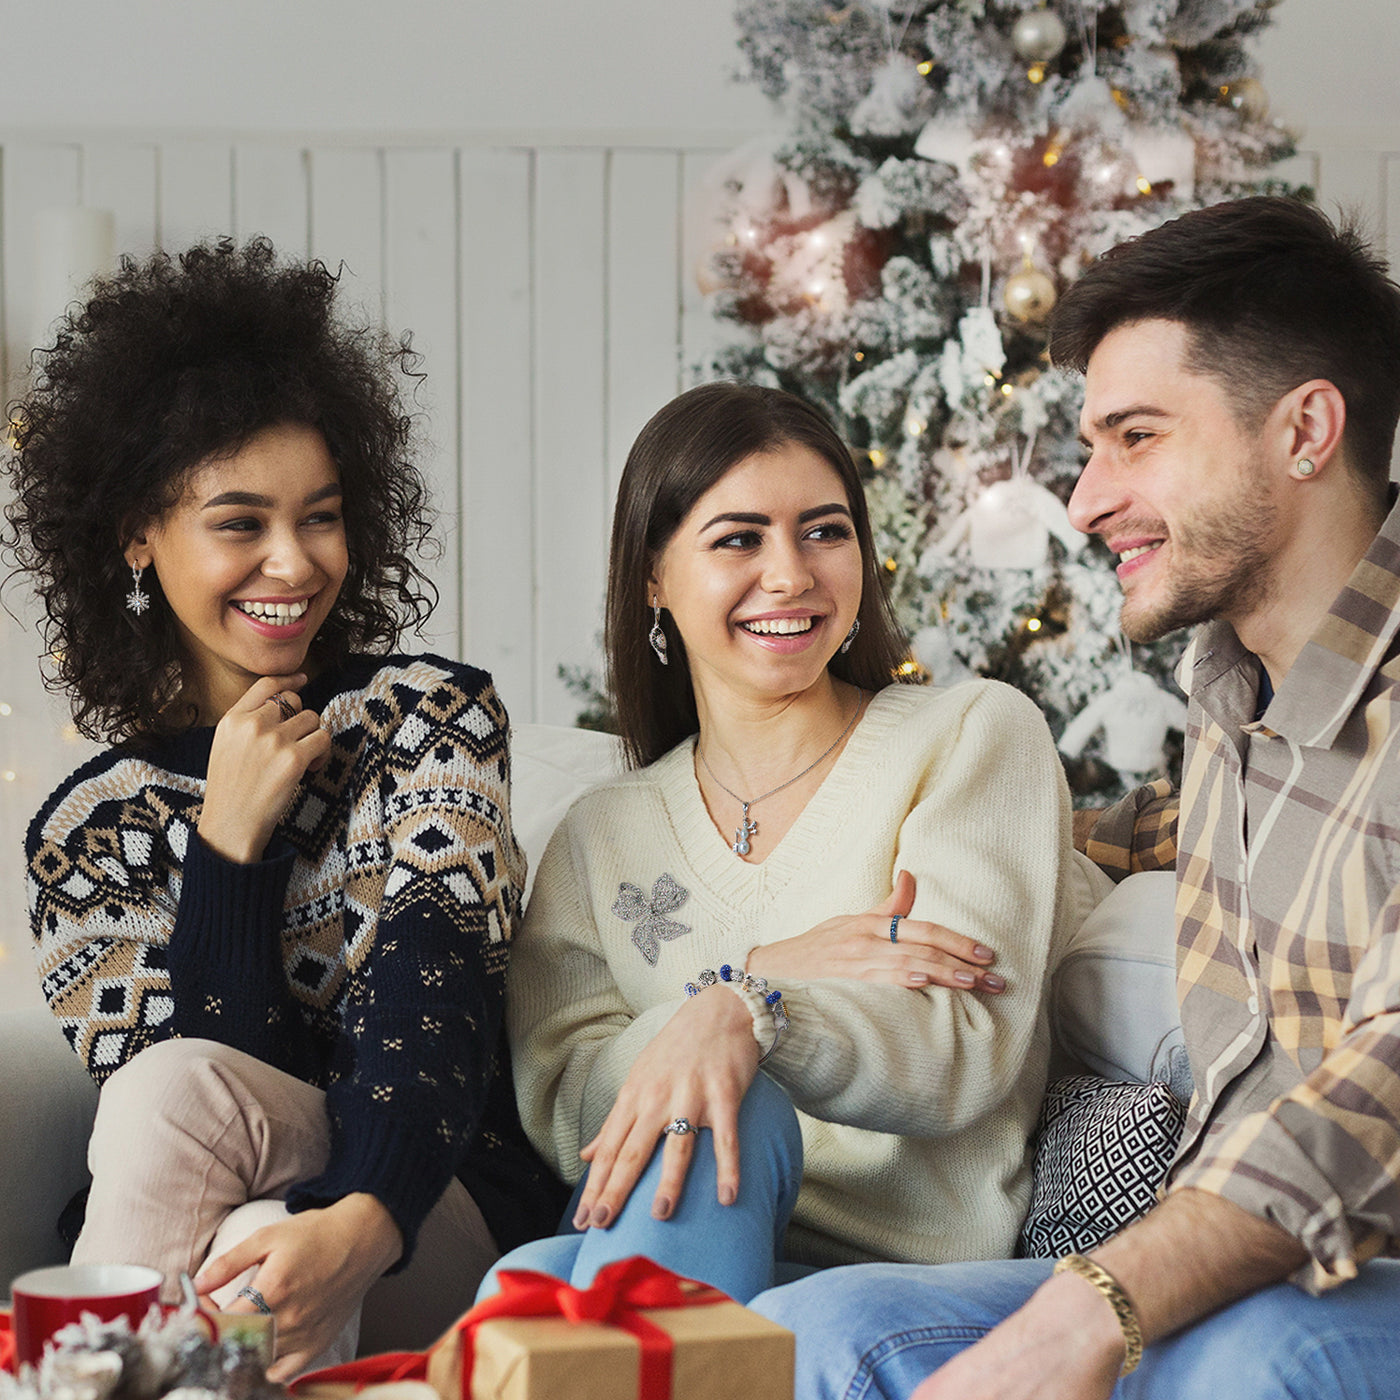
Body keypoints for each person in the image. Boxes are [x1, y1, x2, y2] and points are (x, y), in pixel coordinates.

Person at [752, 195, 1400, 1399]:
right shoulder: (1232, 706)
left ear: (1305, 428)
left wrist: (1097, 1305)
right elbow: (1138, 828)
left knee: (1259, 1362)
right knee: (828, 1330)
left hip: (1342, 1277)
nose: (1088, 500)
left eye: (1135, 437)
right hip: (1220, 1279)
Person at [7, 239, 563, 1379]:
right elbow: (198, 1113)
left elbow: (435, 995)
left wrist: (357, 1223)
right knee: (248, 1226)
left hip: (434, 1206)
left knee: (265, 1229)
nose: (291, 561)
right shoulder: (85, 837)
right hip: (225, 1238)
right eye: (238, 521)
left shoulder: (427, 720)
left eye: (318, 515)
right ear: (136, 534)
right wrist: (227, 844)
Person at [491, 381, 1110, 1304]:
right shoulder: (601, 834)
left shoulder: (970, 736)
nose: (790, 574)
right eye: (740, 538)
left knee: (707, 1108)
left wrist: (751, 1012)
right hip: (674, 1222)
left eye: (825, 531)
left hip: (889, 1275)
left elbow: (958, 1042)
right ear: (654, 576)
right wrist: (743, 988)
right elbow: (567, 1101)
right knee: (527, 1276)